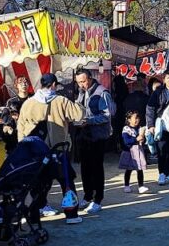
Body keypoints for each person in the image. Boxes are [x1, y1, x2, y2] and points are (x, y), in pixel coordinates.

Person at [16, 73, 86, 217]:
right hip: (59, 148)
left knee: (40, 181)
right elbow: (79, 115)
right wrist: (79, 103)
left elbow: (21, 128)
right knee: (66, 181)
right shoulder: (61, 100)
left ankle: (39, 208)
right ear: (53, 85)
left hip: (37, 151)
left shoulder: (28, 103)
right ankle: (71, 214)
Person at [73, 69, 114, 214]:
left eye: (83, 81)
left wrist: (89, 121)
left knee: (97, 168)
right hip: (84, 135)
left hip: (97, 136)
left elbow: (107, 115)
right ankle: (87, 195)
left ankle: (98, 199)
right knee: (85, 168)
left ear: (90, 79)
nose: (81, 85)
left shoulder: (102, 92)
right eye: (78, 82)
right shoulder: (81, 92)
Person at [119, 111, 149, 194]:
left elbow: (143, 139)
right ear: (129, 119)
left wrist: (143, 139)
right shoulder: (126, 129)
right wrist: (136, 139)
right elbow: (126, 141)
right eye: (135, 118)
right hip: (129, 153)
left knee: (140, 169)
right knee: (128, 170)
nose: (137, 120)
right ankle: (126, 185)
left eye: (138, 118)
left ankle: (141, 186)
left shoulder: (140, 128)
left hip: (138, 152)